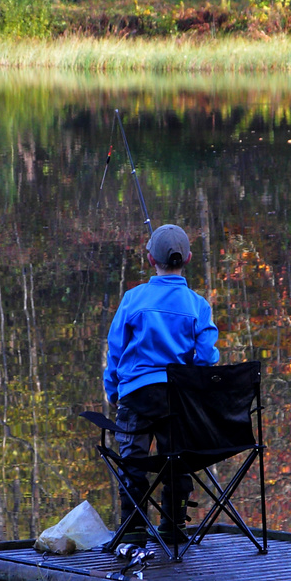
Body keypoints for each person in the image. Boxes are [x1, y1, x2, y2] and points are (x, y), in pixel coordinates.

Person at [102, 223, 219, 546]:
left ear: (150, 258)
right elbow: (207, 356)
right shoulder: (198, 305)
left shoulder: (133, 299)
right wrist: (191, 379)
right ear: (189, 258)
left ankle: (135, 525)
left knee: (133, 459)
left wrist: (113, 389)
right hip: (176, 399)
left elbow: (115, 349)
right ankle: (172, 524)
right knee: (176, 459)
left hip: (136, 396)